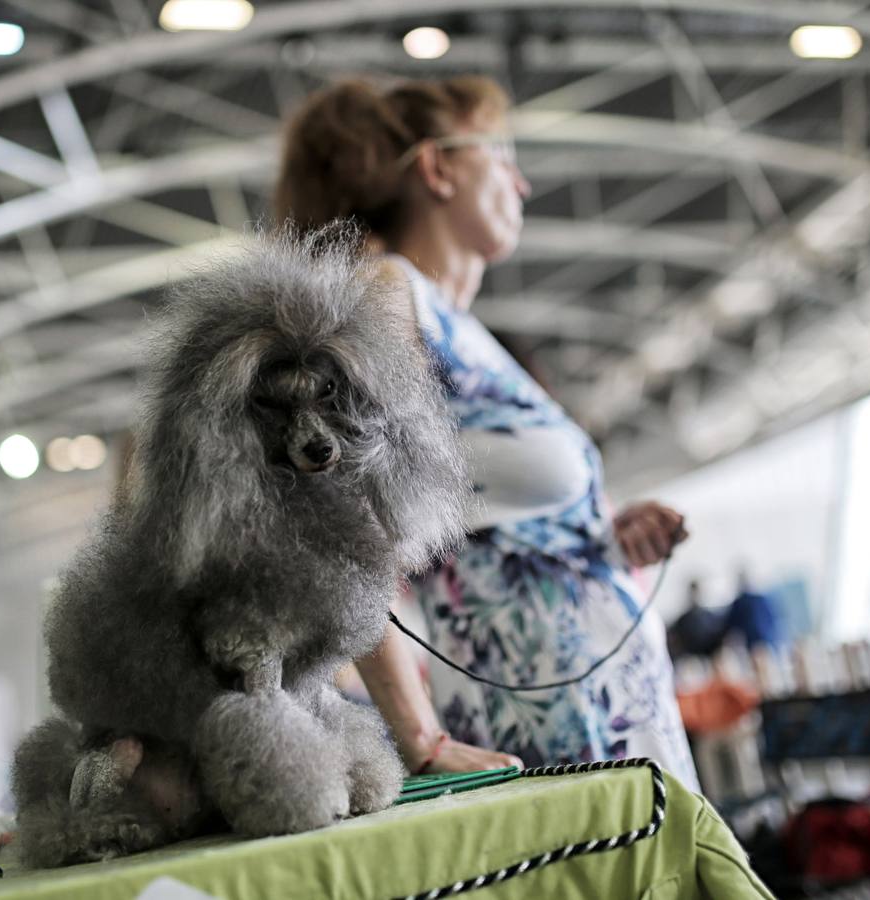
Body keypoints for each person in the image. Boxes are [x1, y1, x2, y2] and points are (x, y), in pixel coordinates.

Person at [274, 76, 699, 787]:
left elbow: (480, 510)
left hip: (610, 713)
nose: (522, 182)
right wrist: (419, 737)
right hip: (555, 730)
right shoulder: (389, 288)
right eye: (500, 155)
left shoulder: (465, 333)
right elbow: (339, 506)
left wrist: (600, 532)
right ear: (438, 168)